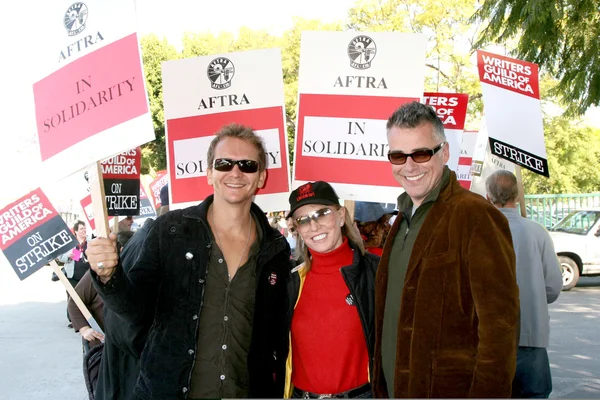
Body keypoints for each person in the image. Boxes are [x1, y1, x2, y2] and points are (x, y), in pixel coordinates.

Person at [87, 123, 292, 399]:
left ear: (261, 177)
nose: (235, 172)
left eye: (247, 165)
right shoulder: (171, 231)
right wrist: (109, 275)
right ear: (209, 173)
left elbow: (276, 339)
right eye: (224, 163)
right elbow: (134, 310)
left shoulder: (275, 249)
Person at [372, 101, 520, 398]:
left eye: (422, 153)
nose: (409, 166)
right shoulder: (400, 219)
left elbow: (500, 330)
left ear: (445, 152)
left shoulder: (475, 216)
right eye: (398, 156)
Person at [284, 181, 379, 399]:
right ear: (297, 229)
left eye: (322, 213)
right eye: (303, 220)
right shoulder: (290, 282)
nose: (314, 226)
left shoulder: (376, 273)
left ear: (341, 215)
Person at [486, 170, 562, 398]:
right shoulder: (537, 232)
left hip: (491, 338)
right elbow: (554, 286)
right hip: (532, 335)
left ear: (488, 198)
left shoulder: (481, 231)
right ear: (517, 196)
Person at [57, 220, 90, 328]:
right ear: (75, 231)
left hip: (87, 275)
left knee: (86, 297)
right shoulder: (70, 243)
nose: (84, 230)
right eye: (81, 228)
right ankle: (73, 319)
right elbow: (60, 257)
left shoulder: (90, 241)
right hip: (72, 275)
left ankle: (86, 318)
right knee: (73, 297)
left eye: (85, 228)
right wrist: (69, 256)